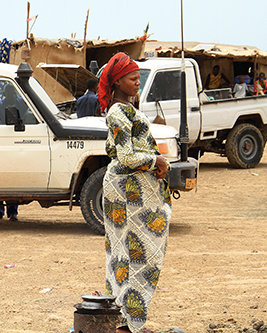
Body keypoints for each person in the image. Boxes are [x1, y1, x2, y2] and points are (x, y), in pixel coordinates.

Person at [97, 52, 172, 333]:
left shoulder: (126, 108)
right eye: (132, 78)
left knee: (124, 254)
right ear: (118, 81)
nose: (137, 81)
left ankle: (124, 321)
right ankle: (127, 323)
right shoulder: (118, 112)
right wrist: (157, 161)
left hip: (131, 189)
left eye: (138, 76)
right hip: (128, 190)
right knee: (139, 255)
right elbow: (126, 157)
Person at [0, 83, 25, 221]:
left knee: (14, 178)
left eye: (14, 93)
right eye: (10, 94)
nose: (13, 96)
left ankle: (13, 212)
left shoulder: (21, 102)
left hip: (19, 139)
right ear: (5, 95)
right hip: (3, 141)